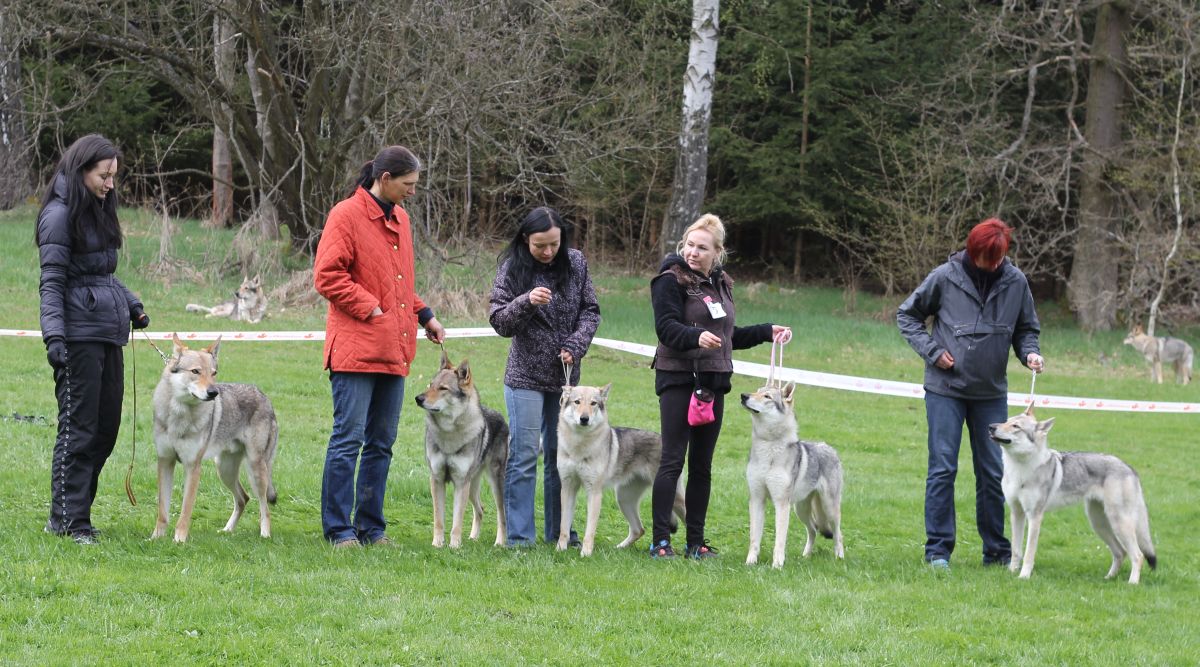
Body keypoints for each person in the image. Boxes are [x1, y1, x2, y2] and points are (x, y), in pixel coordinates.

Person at [314, 145, 446, 548]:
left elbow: (400, 283)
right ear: (384, 178)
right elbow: (327, 276)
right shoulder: (345, 215)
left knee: (381, 443)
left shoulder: (401, 220)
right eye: (407, 184)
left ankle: (371, 527)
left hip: (394, 349)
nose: (412, 191)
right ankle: (338, 529)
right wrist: (370, 308)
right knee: (348, 439)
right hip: (355, 349)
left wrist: (425, 315)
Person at [896, 217, 1044, 570]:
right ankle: (938, 551)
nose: (992, 265)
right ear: (972, 250)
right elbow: (907, 316)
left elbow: (1027, 329)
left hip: (990, 393)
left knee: (993, 472)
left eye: (997, 258)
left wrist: (1030, 352)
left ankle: (996, 550)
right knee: (943, 468)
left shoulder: (1016, 282)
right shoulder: (945, 277)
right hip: (945, 390)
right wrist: (933, 353)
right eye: (985, 258)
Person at [648, 213, 789, 559]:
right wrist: (696, 336)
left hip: (714, 381)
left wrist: (765, 331)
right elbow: (666, 329)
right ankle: (660, 542)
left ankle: (696, 542)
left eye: (702, 248)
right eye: (689, 246)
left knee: (702, 465)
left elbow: (727, 337)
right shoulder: (669, 279)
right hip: (679, 378)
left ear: (717, 252)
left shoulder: (721, 283)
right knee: (672, 460)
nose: (693, 253)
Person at [37, 134, 150, 545]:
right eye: (104, 176)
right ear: (82, 170)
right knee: (78, 431)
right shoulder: (57, 216)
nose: (110, 184)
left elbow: (100, 274)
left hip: (107, 332)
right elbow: (52, 283)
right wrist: (54, 337)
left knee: (106, 429)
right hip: (77, 337)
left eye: (113, 176)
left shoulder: (97, 209)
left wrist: (132, 304)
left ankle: (74, 513)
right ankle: (68, 521)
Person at [489, 207, 600, 547]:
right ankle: (520, 537)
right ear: (526, 240)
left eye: (554, 243)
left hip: (565, 380)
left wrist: (576, 344)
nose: (549, 251)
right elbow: (499, 321)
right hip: (524, 375)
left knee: (560, 455)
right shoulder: (512, 268)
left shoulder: (576, 263)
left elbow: (591, 311)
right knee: (523, 454)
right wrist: (526, 301)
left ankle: (560, 532)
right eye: (540, 245)